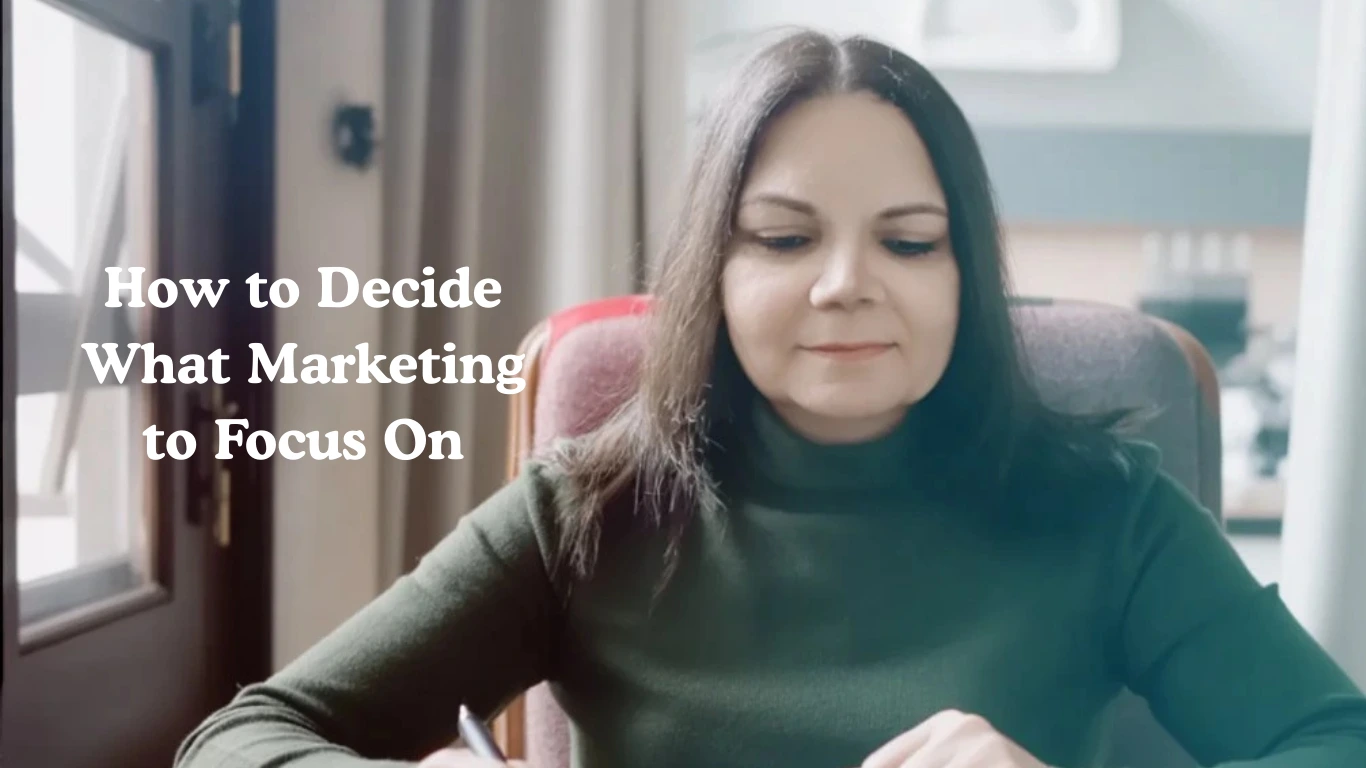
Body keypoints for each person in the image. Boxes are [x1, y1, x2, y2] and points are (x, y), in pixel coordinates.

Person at [174, 30, 1366, 768]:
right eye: (785, 238)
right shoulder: (584, 513)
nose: (847, 286)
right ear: (715, 274)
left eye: (909, 243)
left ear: (968, 279)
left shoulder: (1107, 512)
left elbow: (1335, 739)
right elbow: (238, 741)